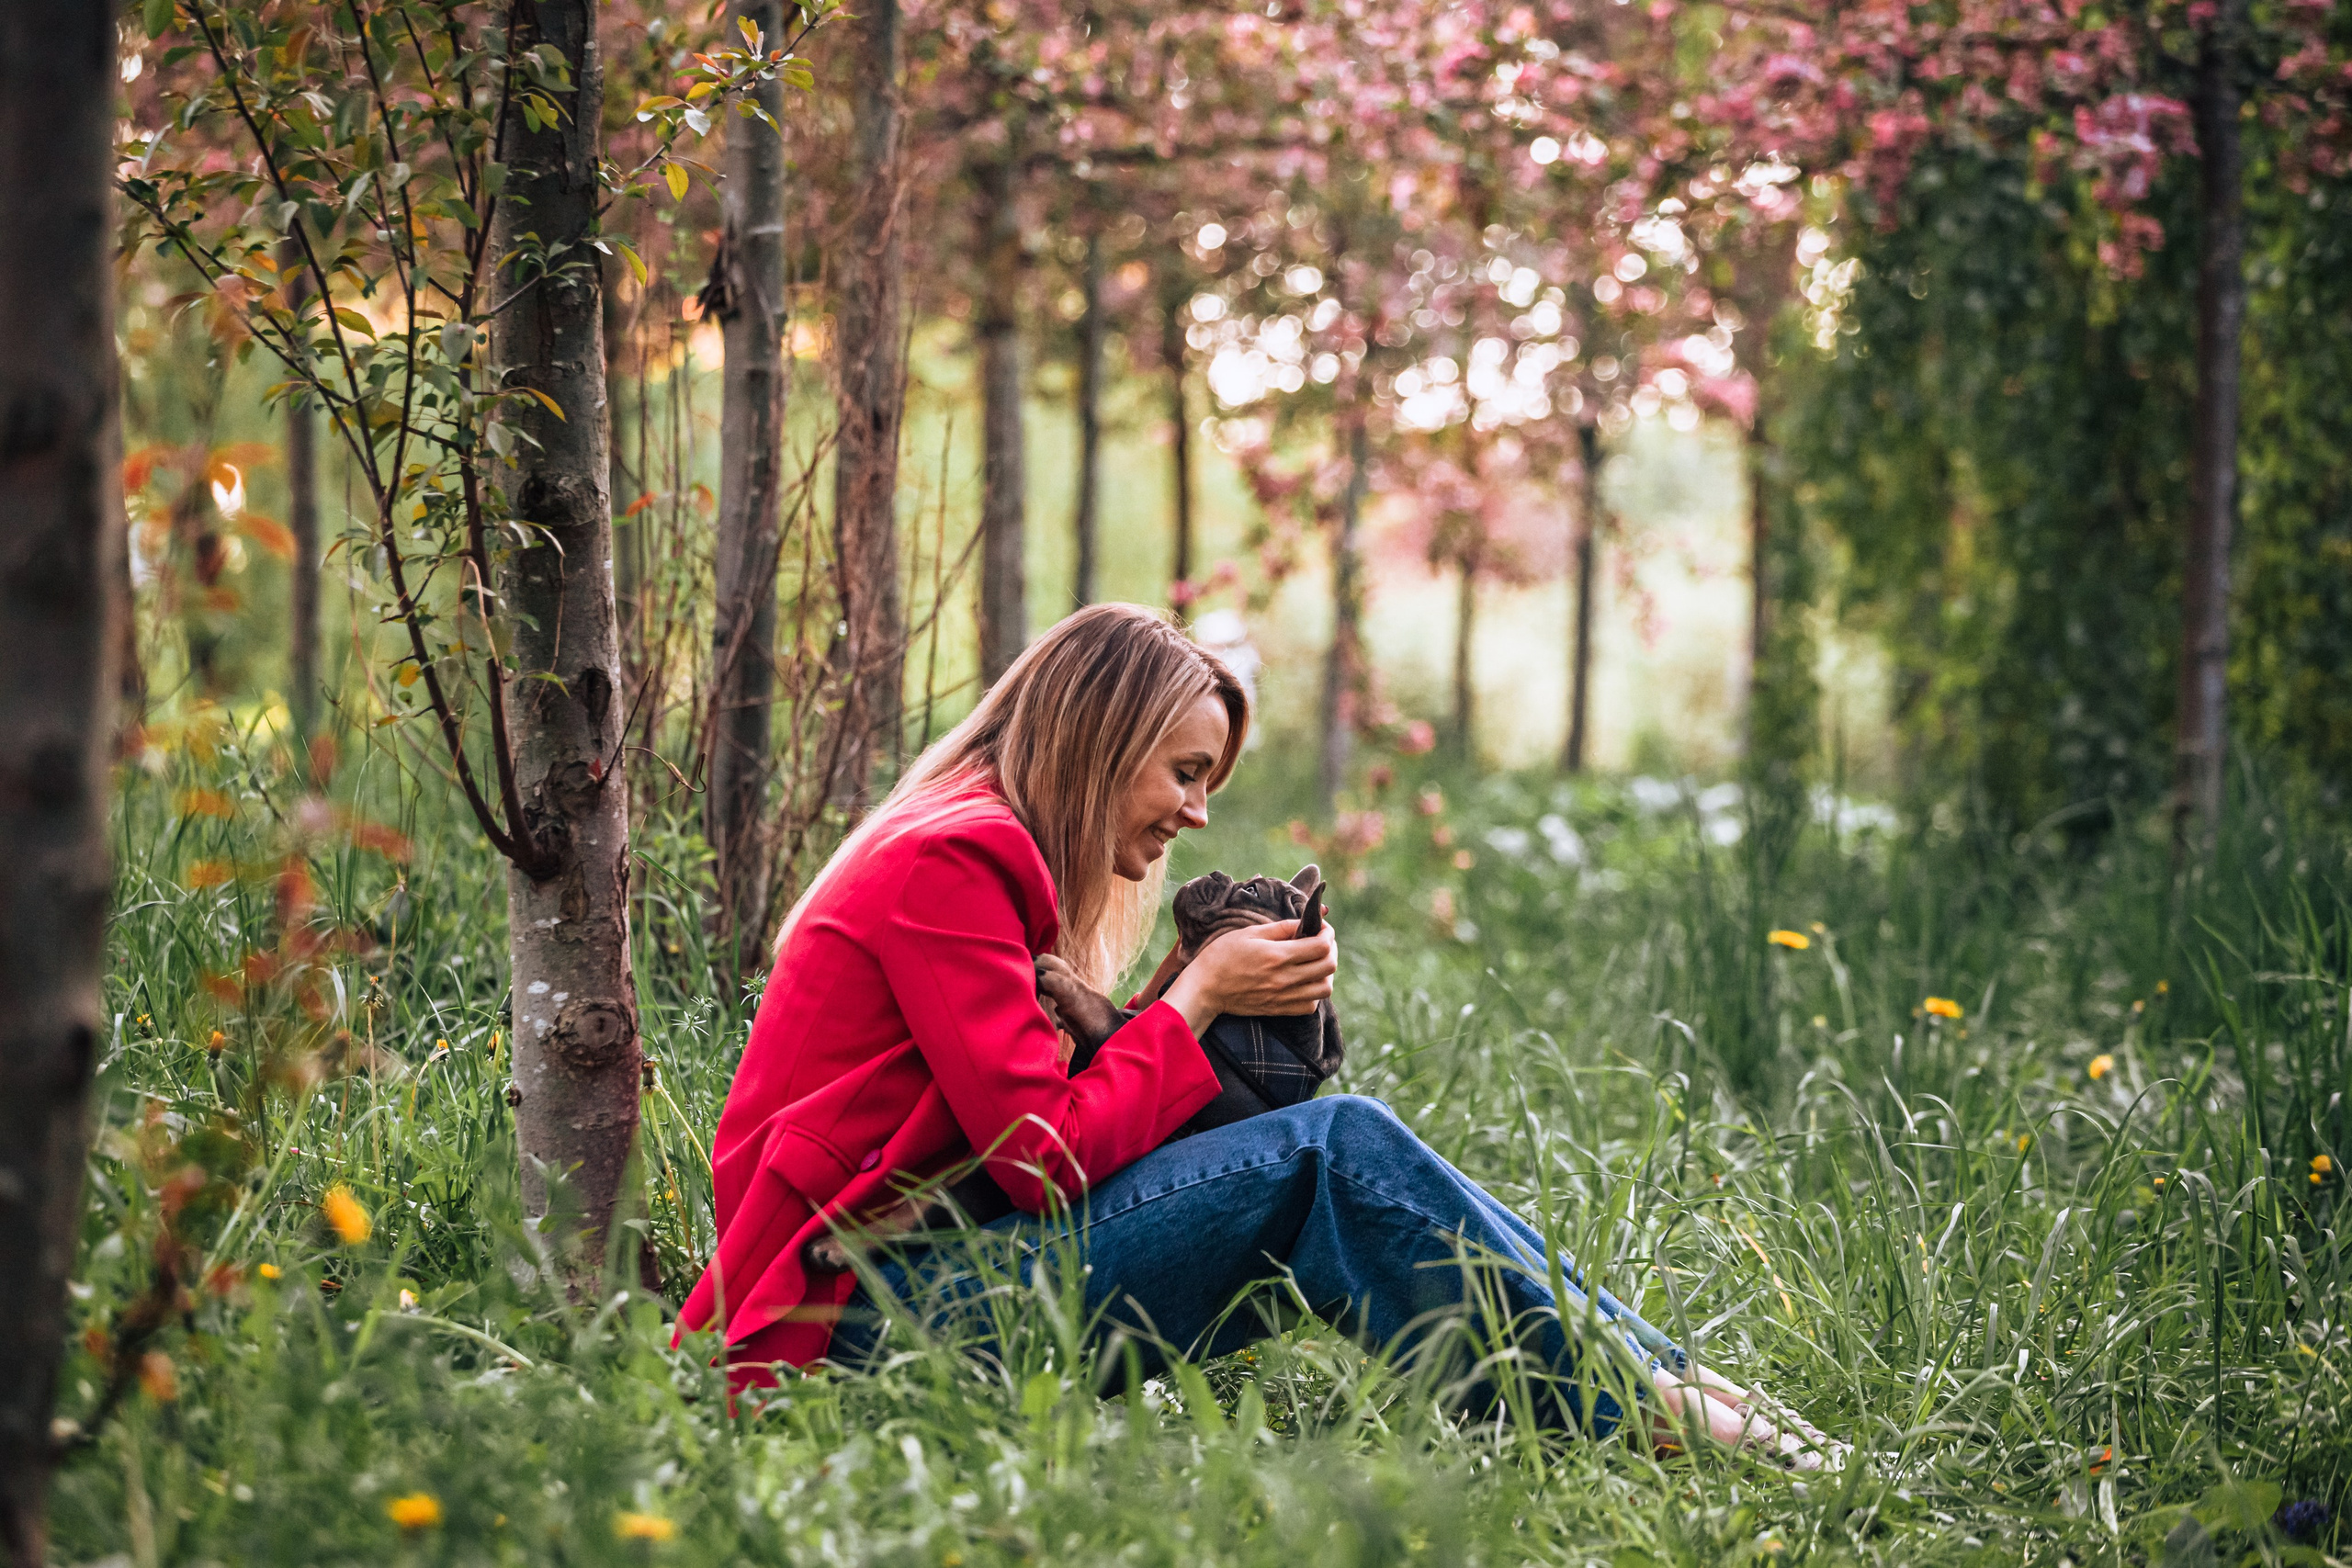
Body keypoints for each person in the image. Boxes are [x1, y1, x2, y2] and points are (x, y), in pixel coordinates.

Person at [678, 604, 1837, 1464]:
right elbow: (1042, 1162)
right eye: (1183, 771)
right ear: (1096, 740)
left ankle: (1677, 1392)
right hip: (857, 1329)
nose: (1196, 809)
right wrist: (1197, 1003)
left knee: (1338, 1160)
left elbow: (1019, 1128)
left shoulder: (976, 844)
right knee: (1333, 1150)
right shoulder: (955, 857)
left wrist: (1179, 992)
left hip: (923, 1282)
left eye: (1208, 781)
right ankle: (1666, 1420)